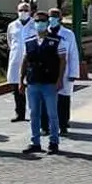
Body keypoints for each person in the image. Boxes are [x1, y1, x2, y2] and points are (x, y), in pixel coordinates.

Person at [19, 11, 67, 155]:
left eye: (43, 21)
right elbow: (25, 60)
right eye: (37, 21)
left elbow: (62, 60)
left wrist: (60, 79)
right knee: (34, 113)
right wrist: (21, 80)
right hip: (33, 82)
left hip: (49, 83)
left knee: (52, 114)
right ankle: (35, 142)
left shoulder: (57, 40)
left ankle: (54, 142)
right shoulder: (29, 41)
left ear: (47, 23)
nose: (40, 23)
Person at [41, 8, 79, 135]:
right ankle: (45, 126)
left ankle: (63, 125)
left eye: (56, 16)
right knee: (45, 99)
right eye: (51, 16)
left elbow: (73, 54)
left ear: (61, 18)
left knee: (63, 99)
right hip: (47, 71)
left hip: (64, 71)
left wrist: (73, 73)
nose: (53, 19)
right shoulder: (43, 32)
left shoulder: (68, 34)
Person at [6, 2, 35, 123]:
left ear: (30, 11)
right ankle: (20, 114)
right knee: (17, 89)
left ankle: (35, 113)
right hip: (16, 60)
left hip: (31, 60)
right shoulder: (12, 26)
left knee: (32, 88)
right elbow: (10, 41)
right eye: (21, 10)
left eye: (26, 10)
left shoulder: (35, 24)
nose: (23, 12)